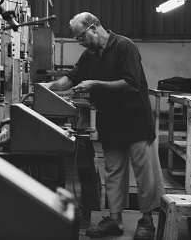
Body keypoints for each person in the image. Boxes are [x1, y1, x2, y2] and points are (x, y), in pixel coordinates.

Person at [41, 12, 164, 239]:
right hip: (111, 122)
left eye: (80, 37)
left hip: (135, 120)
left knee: (144, 174)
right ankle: (115, 221)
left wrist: (95, 83)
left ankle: (147, 222)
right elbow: (71, 77)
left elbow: (131, 84)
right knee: (114, 173)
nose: (79, 42)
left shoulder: (123, 46)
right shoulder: (90, 55)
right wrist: (48, 87)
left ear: (94, 28)